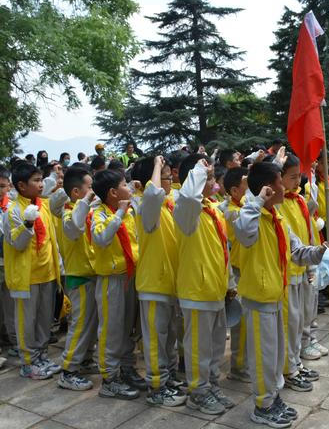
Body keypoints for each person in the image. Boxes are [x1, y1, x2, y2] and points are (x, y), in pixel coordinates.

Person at [234, 162, 329, 428]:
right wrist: (256, 202)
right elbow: (243, 233)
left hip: (276, 295)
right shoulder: (250, 215)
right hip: (259, 298)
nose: (285, 186)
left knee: (275, 355)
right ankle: (262, 405)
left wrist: (321, 251)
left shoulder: (276, 218)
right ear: (266, 188)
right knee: (263, 356)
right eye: (279, 181)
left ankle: (272, 396)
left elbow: (297, 252)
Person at [173, 154, 235, 415]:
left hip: (216, 288)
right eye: (209, 178)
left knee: (216, 343)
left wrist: (229, 281)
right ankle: (197, 392)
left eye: (211, 177)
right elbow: (188, 198)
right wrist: (198, 171)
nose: (214, 184)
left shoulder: (213, 210)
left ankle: (210, 385)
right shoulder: (187, 211)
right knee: (198, 346)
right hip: (197, 290)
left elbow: (223, 249)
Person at [133, 156, 187, 407]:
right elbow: (152, 192)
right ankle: (157, 386)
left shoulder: (166, 205)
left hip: (169, 283)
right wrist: (155, 164)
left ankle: (168, 378)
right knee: (156, 339)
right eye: (166, 176)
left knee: (169, 338)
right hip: (154, 284)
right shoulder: (148, 208)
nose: (170, 180)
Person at [3, 163, 62, 379]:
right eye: (36, 181)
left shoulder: (42, 205)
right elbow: (17, 243)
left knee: (44, 319)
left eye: (40, 180)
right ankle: (28, 362)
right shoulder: (13, 211)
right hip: (26, 277)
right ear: (21, 185)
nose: (40, 185)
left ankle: (41, 356)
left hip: (47, 273)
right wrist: (28, 224)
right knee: (26, 322)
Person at [90, 169, 144, 399]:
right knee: (111, 331)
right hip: (111, 280)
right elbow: (101, 239)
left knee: (128, 329)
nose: (129, 187)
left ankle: (127, 368)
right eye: (125, 184)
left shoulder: (130, 210)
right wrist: (120, 213)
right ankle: (110, 379)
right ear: (113, 192)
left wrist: (136, 197)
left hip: (130, 276)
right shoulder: (99, 214)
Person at [278, 154, 320, 392]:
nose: (297, 181)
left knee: (302, 318)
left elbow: (308, 232)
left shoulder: (299, 200)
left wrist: (312, 265)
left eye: (298, 176)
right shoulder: (278, 201)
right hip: (288, 270)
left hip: (303, 267)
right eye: (291, 177)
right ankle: (288, 368)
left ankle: (295, 362)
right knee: (290, 323)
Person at [58, 166, 98, 391]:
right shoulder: (68, 212)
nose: (93, 191)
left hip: (91, 273)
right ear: (76, 192)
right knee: (81, 324)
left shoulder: (87, 209)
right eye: (89, 187)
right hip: (78, 276)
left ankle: (84, 359)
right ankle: (68, 370)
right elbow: (74, 227)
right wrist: (86, 203)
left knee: (91, 323)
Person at [220, 166, 250, 383]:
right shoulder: (231, 211)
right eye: (245, 186)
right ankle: (239, 367)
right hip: (237, 272)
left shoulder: (241, 206)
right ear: (234, 191)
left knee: (249, 323)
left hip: (247, 270)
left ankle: (245, 363)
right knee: (241, 324)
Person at [0, 166, 17, 355]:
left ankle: (13, 341)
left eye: (2, 186)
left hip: (9, 262)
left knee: (10, 305)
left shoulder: (11, 206)